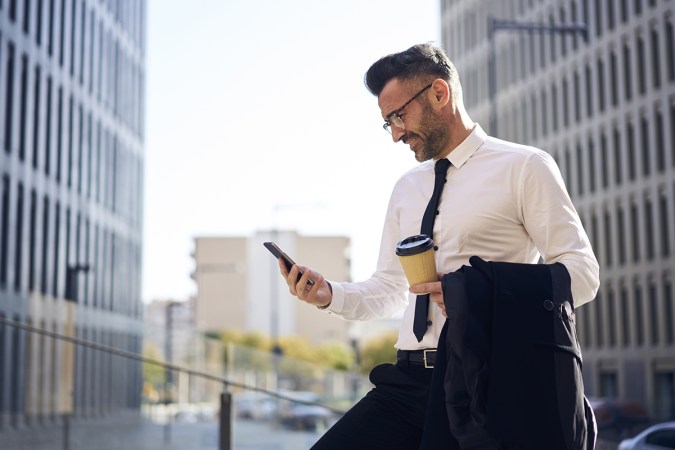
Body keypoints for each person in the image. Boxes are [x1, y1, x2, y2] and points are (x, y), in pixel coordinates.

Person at [277, 43, 599, 450]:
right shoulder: (407, 188)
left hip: (486, 380)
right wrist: (329, 294)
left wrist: (475, 294)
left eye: (398, 116)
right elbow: (392, 290)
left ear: (439, 93)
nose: (395, 134)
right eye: (387, 123)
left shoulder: (525, 167)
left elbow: (583, 276)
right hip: (408, 380)